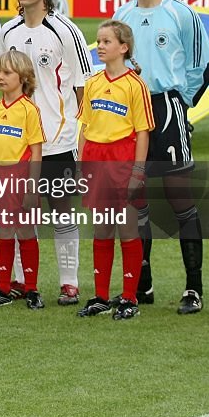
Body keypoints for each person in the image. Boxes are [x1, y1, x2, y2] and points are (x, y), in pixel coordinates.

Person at [113, 0, 209, 314]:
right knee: (133, 200)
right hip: (130, 111)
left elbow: (202, 68)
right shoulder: (122, 14)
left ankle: (194, 288)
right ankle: (143, 283)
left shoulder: (181, 14)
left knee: (179, 199)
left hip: (167, 108)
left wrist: (180, 103)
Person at [0, 0, 91, 305]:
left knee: (61, 212)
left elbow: (84, 89)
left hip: (59, 138)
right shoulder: (9, 32)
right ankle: (24, 279)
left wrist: (80, 137)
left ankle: (69, 282)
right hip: (20, 144)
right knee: (23, 213)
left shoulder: (66, 32)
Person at [75, 20, 153, 320]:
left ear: (123, 47)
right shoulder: (93, 82)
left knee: (128, 228)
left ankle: (130, 297)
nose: (101, 46)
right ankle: (100, 296)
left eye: (106, 41)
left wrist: (137, 171)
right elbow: (85, 125)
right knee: (102, 229)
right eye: (99, 41)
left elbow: (143, 132)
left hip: (122, 159)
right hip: (96, 159)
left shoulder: (135, 85)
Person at [0, 51, 46, 310]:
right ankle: (4, 287)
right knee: (4, 231)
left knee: (26, 231)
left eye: (7, 73)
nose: (0, 77)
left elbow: (36, 151)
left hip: (21, 177)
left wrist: (31, 187)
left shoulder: (29, 110)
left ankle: (31, 288)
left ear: (23, 77)